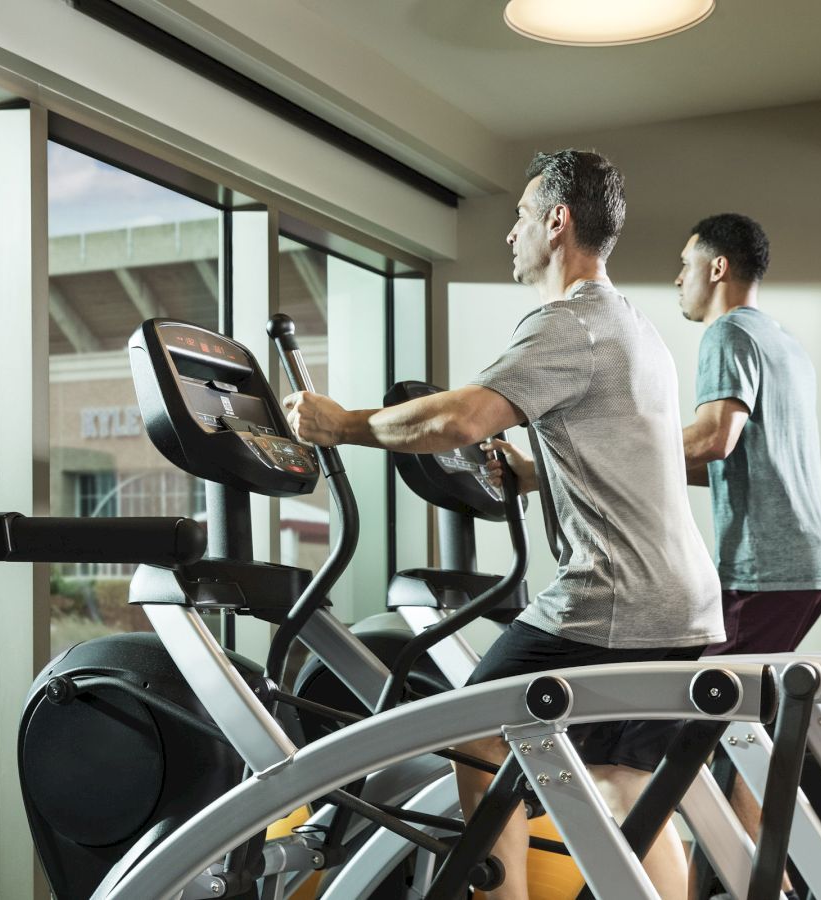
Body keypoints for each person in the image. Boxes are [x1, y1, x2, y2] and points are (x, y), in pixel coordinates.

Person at [284, 149, 723, 900]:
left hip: (611, 604)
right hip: (684, 605)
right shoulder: (633, 327)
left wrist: (342, 423)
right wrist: (527, 470)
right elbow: (617, 452)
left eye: (521, 218)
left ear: (557, 222)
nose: (510, 234)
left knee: (473, 726)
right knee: (625, 785)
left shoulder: (569, 323)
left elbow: (458, 418)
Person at [677, 214, 821, 900]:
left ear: (717, 267)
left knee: (693, 724)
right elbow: (728, 461)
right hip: (804, 564)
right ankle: (746, 885)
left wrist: (610, 450)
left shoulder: (728, 332)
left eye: (684, 264)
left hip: (766, 569)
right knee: (738, 730)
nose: (678, 280)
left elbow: (713, 439)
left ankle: (751, 885)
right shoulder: (781, 342)